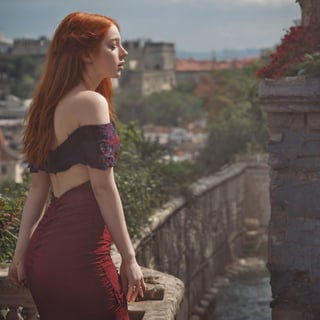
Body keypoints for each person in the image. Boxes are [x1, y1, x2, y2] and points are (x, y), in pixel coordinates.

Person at [8, 11, 145, 320]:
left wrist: (21, 254)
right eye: (113, 46)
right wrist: (130, 257)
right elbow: (103, 187)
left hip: (43, 257)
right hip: (80, 257)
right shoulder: (90, 102)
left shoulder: (45, 107)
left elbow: (37, 191)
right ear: (85, 53)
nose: (123, 53)